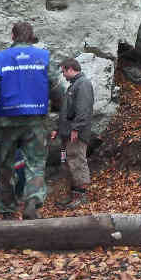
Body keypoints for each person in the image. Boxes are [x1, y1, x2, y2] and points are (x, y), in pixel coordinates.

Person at [0, 22, 62, 220]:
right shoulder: (44, 57)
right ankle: (32, 202)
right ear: (32, 37)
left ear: (12, 36)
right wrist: (59, 108)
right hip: (36, 120)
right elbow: (57, 89)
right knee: (36, 163)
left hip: (6, 120)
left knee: (5, 165)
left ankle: (7, 209)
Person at [51, 57, 94, 209]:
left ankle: (81, 197)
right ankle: (72, 197)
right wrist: (57, 128)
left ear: (70, 69)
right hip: (67, 133)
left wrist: (76, 128)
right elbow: (66, 111)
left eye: (63, 71)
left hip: (76, 134)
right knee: (69, 164)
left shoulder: (83, 84)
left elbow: (83, 110)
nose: (63, 75)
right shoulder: (74, 85)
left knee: (77, 161)